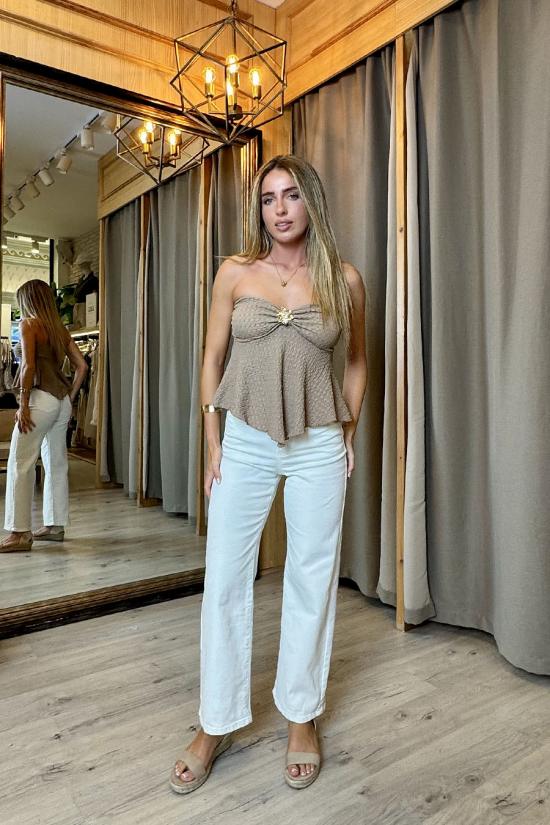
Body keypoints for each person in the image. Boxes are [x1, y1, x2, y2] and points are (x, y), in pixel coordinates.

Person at [170, 155, 367, 793]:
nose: (279, 209)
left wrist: (348, 432)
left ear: (311, 202)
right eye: (267, 198)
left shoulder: (344, 279)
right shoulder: (235, 272)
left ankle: (301, 717)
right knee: (225, 578)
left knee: (312, 578)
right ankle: (216, 721)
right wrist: (211, 440)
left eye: (290, 195)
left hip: (317, 443)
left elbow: (358, 363)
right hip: (246, 441)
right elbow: (211, 357)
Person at [0, 279, 88, 552]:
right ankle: (55, 525)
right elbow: (82, 366)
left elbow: (28, 366)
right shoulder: (59, 329)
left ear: (27, 300)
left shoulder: (29, 324)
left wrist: (23, 404)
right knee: (56, 462)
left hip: (41, 399)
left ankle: (20, 533)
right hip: (61, 401)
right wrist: (69, 397)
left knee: (20, 462)